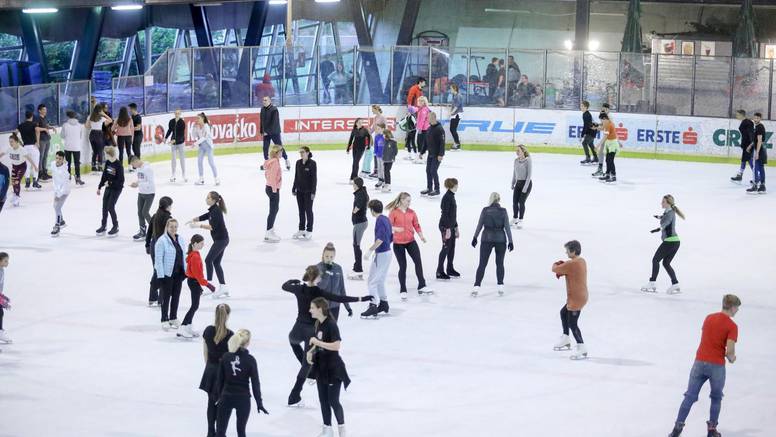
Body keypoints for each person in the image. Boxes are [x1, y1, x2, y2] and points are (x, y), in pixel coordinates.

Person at [282, 266, 370, 406]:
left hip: (297, 328)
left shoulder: (299, 289)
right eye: (320, 277)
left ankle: (309, 374)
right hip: (311, 331)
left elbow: (284, 286)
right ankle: (294, 396)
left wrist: (293, 281)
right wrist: (361, 298)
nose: (321, 279)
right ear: (316, 278)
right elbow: (338, 298)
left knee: (292, 341)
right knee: (306, 364)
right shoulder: (318, 292)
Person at [667, 294, 741, 437]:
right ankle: (712, 430)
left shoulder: (709, 318)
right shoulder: (732, 326)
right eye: (737, 308)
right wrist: (732, 358)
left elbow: (708, 336)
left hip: (700, 362)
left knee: (689, 396)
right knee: (716, 397)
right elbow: (730, 350)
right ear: (732, 307)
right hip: (716, 366)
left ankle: (677, 428)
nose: (737, 310)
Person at [308, 297, 351, 437]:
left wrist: (317, 343)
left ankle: (341, 427)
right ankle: (327, 428)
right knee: (323, 400)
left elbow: (336, 346)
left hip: (333, 368)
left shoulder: (331, 325)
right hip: (321, 368)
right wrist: (311, 350)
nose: (310, 310)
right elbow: (319, 341)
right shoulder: (318, 323)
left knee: (333, 400)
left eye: (312, 308)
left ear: (320, 309)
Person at [215, 329, 268, 437]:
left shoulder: (226, 357)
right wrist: (259, 402)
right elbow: (255, 383)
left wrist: (218, 397)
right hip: (243, 399)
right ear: (248, 343)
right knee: (241, 432)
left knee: (220, 432)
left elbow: (219, 380)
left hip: (226, 397)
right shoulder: (250, 360)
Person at [387, 192, 433, 300]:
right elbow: (388, 226)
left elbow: (416, 225)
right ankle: (403, 289)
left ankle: (422, 285)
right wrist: (395, 229)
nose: (409, 203)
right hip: (398, 244)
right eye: (407, 201)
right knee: (403, 266)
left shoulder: (412, 212)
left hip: (411, 241)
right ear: (402, 200)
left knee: (418, 262)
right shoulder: (393, 212)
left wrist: (421, 236)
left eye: (410, 201)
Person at [551, 240, 589, 360]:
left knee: (573, 323)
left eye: (567, 250)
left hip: (576, 298)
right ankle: (566, 338)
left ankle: (582, 347)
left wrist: (557, 264)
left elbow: (555, 269)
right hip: (580, 295)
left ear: (573, 251)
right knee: (563, 313)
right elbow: (567, 266)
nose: (566, 252)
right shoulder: (581, 261)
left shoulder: (572, 264)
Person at [188, 191, 231, 298]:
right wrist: (194, 219)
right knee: (216, 263)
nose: (206, 199)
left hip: (221, 240)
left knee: (208, 260)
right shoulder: (213, 210)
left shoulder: (216, 211)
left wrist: (198, 226)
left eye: (208, 198)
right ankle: (223, 286)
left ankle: (209, 283)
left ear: (213, 200)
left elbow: (212, 227)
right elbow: (207, 215)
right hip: (221, 239)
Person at [200, 303, 233, 437]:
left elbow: (205, 353)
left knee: (211, 402)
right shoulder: (231, 335)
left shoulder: (208, 331)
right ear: (228, 315)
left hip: (210, 370)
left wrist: (209, 368)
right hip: (223, 373)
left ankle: (210, 431)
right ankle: (220, 432)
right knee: (222, 404)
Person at [471, 192, 513, 297]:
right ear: (499, 200)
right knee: (500, 263)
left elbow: (479, 225)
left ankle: (476, 287)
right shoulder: (503, 211)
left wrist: (475, 237)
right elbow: (507, 227)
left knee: (482, 264)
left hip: (486, 239)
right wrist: (511, 241)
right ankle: (500, 286)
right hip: (500, 240)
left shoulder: (485, 210)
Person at [641, 194, 685, 295]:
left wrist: (658, 229)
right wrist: (658, 217)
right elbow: (664, 217)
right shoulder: (669, 211)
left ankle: (652, 282)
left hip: (670, 242)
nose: (661, 203)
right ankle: (675, 284)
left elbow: (666, 223)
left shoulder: (670, 214)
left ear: (668, 203)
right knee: (666, 263)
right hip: (675, 242)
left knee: (655, 260)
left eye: (663, 202)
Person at [360, 199, 393, 318]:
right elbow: (391, 236)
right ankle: (383, 303)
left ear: (372, 210)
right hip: (385, 252)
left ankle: (373, 305)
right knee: (378, 280)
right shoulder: (385, 219)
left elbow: (380, 239)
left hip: (382, 253)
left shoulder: (380, 221)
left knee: (372, 282)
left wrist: (370, 250)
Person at [180, 234, 216, 339]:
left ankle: (188, 327)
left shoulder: (195, 254)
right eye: (201, 243)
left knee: (194, 306)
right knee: (194, 306)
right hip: (194, 282)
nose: (203, 245)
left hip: (194, 282)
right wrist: (209, 285)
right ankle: (182, 328)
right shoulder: (195, 256)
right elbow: (198, 275)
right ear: (195, 244)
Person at [154, 218, 187, 330]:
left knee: (176, 297)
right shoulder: (162, 241)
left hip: (179, 273)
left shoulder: (180, 239)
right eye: (171, 227)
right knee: (166, 297)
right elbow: (158, 260)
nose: (173, 229)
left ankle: (173, 317)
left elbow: (184, 255)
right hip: (167, 274)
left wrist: (186, 271)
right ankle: (164, 318)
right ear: (167, 227)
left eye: (175, 227)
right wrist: (161, 275)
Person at [145, 196, 173, 306]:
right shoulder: (168, 219)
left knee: (156, 271)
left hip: (153, 246)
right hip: (163, 248)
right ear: (168, 206)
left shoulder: (155, 216)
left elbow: (149, 231)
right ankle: (161, 300)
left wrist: (147, 244)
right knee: (163, 273)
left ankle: (153, 297)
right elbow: (171, 236)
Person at [316, 244, 353, 320]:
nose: (329, 259)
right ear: (323, 255)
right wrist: (327, 272)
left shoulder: (338, 268)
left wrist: (348, 307)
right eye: (326, 256)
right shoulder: (318, 268)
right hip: (321, 307)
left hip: (335, 307)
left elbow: (342, 289)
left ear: (334, 256)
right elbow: (321, 287)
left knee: (332, 331)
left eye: (331, 257)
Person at [1, 133, 38, 207]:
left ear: (16, 141)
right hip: (14, 167)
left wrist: (35, 166)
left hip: (22, 167)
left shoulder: (22, 149)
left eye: (12, 141)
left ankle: (17, 197)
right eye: (9, 142)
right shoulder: (10, 149)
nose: (10, 143)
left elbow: (29, 158)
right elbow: (2, 153)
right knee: (14, 182)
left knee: (17, 181)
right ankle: (15, 195)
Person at [96, 146, 124, 236]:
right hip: (109, 187)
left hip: (116, 188)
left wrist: (110, 183)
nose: (104, 155)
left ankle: (116, 226)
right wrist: (100, 186)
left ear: (109, 154)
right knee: (104, 207)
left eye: (105, 154)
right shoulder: (108, 162)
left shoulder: (118, 165)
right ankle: (103, 225)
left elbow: (121, 181)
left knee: (110, 207)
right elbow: (104, 176)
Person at [436, 178, 460, 281]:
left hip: (451, 226)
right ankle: (439, 271)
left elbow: (453, 215)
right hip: (445, 226)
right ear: (451, 186)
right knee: (446, 248)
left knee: (451, 247)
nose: (457, 187)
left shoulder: (452, 196)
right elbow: (445, 214)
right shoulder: (447, 198)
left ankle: (450, 268)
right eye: (456, 185)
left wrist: (456, 227)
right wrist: (447, 229)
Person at [292, 146, 317, 240]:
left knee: (308, 210)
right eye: (300, 152)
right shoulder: (298, 163)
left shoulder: (312, 163)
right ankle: (301, 229)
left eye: (302, 152)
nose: (301, 154)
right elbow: (296, 176)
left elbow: (314, 179)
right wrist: (294, 188)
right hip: (299, 191)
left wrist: (313, 192)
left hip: (309, 191)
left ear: (307, 152)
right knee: (301, 211)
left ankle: (309, 230)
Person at [129, 156, 156, 241]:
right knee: (140, 212)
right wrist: (136, 183)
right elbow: (141, 180)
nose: (133, 166)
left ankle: (155, 230)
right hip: (141, 193)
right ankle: (142, 231)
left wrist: (138, 185)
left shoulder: (148, 169)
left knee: (145, 212)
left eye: (133, 164)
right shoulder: (138, 169)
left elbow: (150, 183)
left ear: (135, 161)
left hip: (149, 193)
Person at [260, 96, 289, 170]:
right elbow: (262, 121)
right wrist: (261, 131)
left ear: (269, 101)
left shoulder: (274, 109)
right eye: (263, 100)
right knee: (265, 147)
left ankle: (286, 160)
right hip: (266, 132)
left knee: (279, 147)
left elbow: (274, 122)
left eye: (265, 100)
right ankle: (266, 162)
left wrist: (267, 132)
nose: (264, 101)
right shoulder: (262, 109)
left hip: (274, 132)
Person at [348, 178, 369, 280]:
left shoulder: (361, 194)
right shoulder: (361, 192)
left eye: (354, 184)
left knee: (356, 245)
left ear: (356, 184)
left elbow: (357, 208)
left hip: (360, 223)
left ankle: (358, 268)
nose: (353, 185)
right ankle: (357, 266)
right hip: (360, 222)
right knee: (356, 244)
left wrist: (353, 212)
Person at [192, 112, 219, 186]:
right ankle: (201, 179)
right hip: (202, 147)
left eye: (198, 118)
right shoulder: (197, 126)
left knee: (211, 162)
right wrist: (194, 127)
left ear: (202, 119)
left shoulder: (206, 126)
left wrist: (195, 143)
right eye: (196, 118)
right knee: (199, 161)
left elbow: (204, 138)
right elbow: (194, 136)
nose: (197, 120)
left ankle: (216, 178)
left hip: (208, 146)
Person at [16, 111, 41, 190]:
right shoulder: (34, 124)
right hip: (33, 146)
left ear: (25, 117)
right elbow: (37, 130)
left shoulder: (21, 125)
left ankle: (27, 181)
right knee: (35, 164)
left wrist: (20, 143)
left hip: (25, 147)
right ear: (32, 116)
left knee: (26, 165)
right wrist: (37, 141)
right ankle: (35, 181)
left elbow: (14, 134)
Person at [422, 112, 445, 196]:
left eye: (429, 117)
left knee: (433, 171)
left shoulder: (439, 129)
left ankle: (437, 189)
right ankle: (429, 188)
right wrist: (422, 151)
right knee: (428, 171)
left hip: (437, 154)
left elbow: (442, 143)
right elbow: (426, 141)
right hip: (430, 153)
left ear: (433, 118)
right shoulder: (429, 128)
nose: (427, 119)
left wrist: (441, 154)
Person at [60, 110, 85, 185]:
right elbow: (81, 136)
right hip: (76, 147)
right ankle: (78, 178)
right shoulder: (80, 125)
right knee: (77, 163)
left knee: (68, 163)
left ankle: (68, 177)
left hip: (68, 146)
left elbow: (62, 136)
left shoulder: (65, 125)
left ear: (68, 116)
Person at [263, 145, 282, 243]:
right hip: (273, 189)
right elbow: (272, 177)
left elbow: (266, 174)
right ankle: (268, 232)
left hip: (270, 187)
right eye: (281, 152)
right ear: (277, 153)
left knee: (275, 209)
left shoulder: (273, 161)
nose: (282, 153)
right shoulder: (274, 163)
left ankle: (270, 230)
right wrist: (274, 190)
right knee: (273, 210)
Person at [511, 144, 533, 228]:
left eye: (518, 151)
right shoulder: (516, 160)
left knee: (521, 202)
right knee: (514, 202)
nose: (516, 152)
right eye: (516, 151)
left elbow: (529, 175)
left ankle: (520, 220)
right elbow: (514, 173)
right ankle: (515, 218)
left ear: (523, 151)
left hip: (526, 184)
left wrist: (525, 187)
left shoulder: (528, 160)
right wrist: (513, 183)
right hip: (518, 183)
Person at [50, 152, 71, 237]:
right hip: (57, 189)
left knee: (57, 207)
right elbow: (54, 179)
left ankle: (57, 225)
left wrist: (59, 195)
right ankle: (61, 221)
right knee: (55, 206)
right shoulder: (52, 164)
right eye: (57, 158)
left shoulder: (64, 172)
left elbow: (64, 185)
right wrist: (56, 191)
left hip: (64, 191)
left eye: (60, 159)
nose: (57, 160)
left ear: (63, 159)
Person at [730, 110, 754, 183]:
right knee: (744, 159)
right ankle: (740, 175)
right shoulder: (745, 122)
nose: (736, 116)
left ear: (741, 115)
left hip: (748, 144)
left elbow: (750, 134)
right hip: (745, 144)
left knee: (749, 160)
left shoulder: (747, 122)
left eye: (737, 114)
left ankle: (756, 176)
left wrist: (751, 144)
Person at [746, 112, 767, 194]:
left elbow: (759, 141)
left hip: (759, 149)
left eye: (758, 118)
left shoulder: (759, 127)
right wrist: (750, 145)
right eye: (755, 118)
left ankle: (757, 186)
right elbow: (756, 140)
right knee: (760, 167)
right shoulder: (757, 127)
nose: (756, 119)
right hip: (759, 148)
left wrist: (757, 152)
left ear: (760, 119)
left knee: (757, 167)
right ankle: (761, 185)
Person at [164, 109, 187, 183]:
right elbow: (170, 130)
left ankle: (184, 174)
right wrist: (165, 137)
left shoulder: (182, 123)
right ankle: (173, 174)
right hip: (173, 143)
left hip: (180, 142)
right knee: (173, 158)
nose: (177, 114)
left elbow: (181, 134)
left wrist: (175, 140)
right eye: (176, 113)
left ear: (180, 114)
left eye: (178, 113)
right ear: (174, 113)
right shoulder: (171, 121)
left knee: (182, 159)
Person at [86, 106, 110, 172]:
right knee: (100, 151)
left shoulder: (90, 117)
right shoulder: (101, 118)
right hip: (99, 134)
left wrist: (92, 125)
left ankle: (93, 167)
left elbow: (87, 126)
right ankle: (100, 167)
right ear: (100, 111)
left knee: (95, 151)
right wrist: (104, 114)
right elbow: (110, 120)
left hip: (92, 133)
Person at [596, 112, 619, 183]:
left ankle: (614, 176)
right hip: (609, 144)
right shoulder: (607, 124)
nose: (601, 122)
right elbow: (603, 129)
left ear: (604, 119)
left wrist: (598, 145)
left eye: (601, 120)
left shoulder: (609, 124)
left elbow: (605, 137)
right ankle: (607, 174)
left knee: (610, 160)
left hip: (613, 144)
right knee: (607, 160)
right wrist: (596, 127)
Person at [34, 104, 54, 180]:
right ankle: (40, 173)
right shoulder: (37, 118)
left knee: (45, 156)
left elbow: (46, 125)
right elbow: (37, 128)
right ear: (39, 110)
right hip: (41, 139)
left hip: (47, 139)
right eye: (44, 110)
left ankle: (45, 172)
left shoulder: (45, 117)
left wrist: (51, 127)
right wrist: (45, 129)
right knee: (41, 156)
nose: (45, 111)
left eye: (46, 110)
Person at [592, 103, 612, 177]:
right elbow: (603, 126)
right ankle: (603, 170)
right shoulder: (605, 116)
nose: (603, 110)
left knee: (607, 156)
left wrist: (597, 127)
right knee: (601, 153)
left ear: (607, 109)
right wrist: (596, 126)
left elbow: (605, 127)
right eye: (602, 109)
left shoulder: (609, 117)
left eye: (604, 109)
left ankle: (608, 172)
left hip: (609, 138)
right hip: (607, 137)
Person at [408, 96, 430, 163]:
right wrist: (410, 107)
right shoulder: (421, 109)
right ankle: (421, 157)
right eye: (418, 101)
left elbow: (422, 120)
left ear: (424, 102)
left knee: (421, 143)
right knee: (419, 143)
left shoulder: (424, 110)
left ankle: (422, 158)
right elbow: (415, 109)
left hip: (424, 129)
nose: (419, 102)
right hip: (423, 129)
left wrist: (419, 128)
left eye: (420, 101)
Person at [579, 100, 598, 165]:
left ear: (586, 107)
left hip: (591, 131)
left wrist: (582, 135)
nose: (581, 107)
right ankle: (595, 158)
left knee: (584, 143)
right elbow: (587, 125)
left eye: (582, 106)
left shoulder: (586, 115)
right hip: (592, 131)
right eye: (581, 106)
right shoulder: (585, 114)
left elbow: (586, 126)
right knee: (590, 144)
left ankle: (588, 158)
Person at [0, 252, 11, 344]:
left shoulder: (2, 269)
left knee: (0, 312)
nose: (7, 263)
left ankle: (0, 331)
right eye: (5, 261)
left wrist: (2, 296)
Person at [449, 83, 463, 150]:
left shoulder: (458, 96)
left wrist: (451, 112)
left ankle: (457, 144)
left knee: (453, 129)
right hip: (454, 114)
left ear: (454, 89)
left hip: (456, 115)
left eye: (451, 89)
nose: (450, 90)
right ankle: (456, 142)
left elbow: (457, 106)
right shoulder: (454, 96)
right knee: (452, 129)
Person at [372, 124, 386, 189]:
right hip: (378, 155)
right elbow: (375, 146)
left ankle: (384, 181)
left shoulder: (386, 136)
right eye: (377, 129)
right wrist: (375, 153)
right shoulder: (377, 137)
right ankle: (380, 180)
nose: (377, 130)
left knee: (383, 168)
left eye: (379, 129)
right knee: (379, 168)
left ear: (383, 129)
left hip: (384, 156)